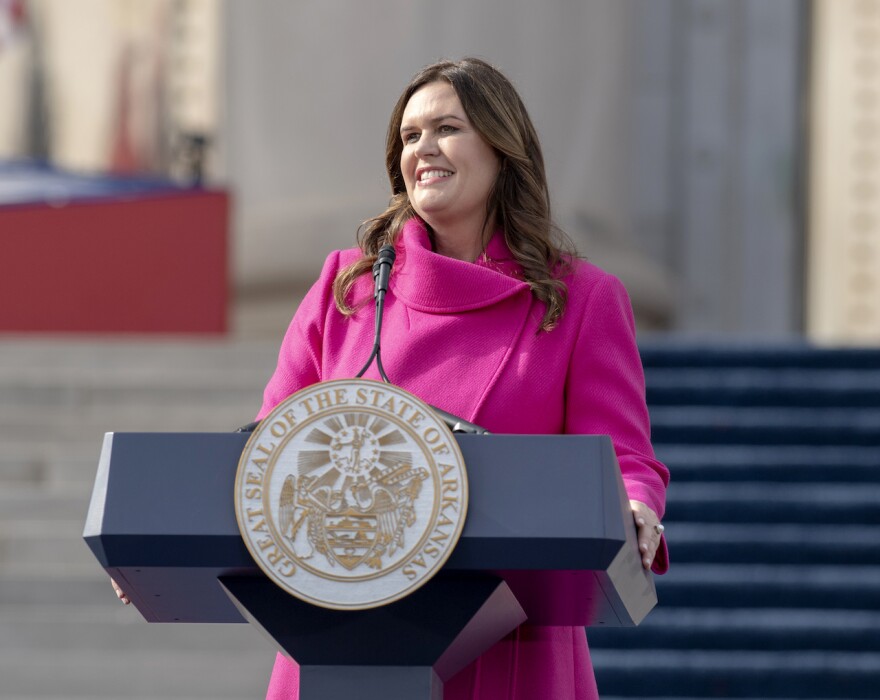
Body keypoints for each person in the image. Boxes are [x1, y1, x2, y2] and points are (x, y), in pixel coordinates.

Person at [115, 56, 669, 699]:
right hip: (339, 640)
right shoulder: (345, 286)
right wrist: (162, 537)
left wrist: (635, 507)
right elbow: (266, 449)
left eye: (446, 129)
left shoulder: (580, 298)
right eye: (410, 137)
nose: (423, 149)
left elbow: (624, 454)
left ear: (502, 147)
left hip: (507, 650)